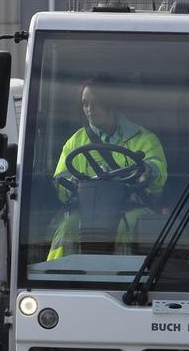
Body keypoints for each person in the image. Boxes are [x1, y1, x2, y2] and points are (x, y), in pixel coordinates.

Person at [47, 75, 168, 259]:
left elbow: (158, 172)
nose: (89, 109)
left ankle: (123, 281)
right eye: (85, 103)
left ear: (111, 102)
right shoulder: (75, 142)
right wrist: (70, 184)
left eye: (96, 102)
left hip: (131, 208)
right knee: (67, 227)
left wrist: (150, 171)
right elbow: (60, 180)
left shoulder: (143, 139)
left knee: (128, 225)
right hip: (88, 211)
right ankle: (54, 280)